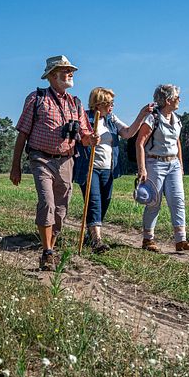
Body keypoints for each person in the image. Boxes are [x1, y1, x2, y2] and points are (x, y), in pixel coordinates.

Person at [10, 55, 99, 271]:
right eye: (65, 70)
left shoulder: (75, 103)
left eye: (71, 70)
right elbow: (22, 134)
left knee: (61, 208)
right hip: (40, 158)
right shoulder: (36, 98)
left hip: (66, 160)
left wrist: (91, 139)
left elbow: (85, 136)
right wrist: (15, 166)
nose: (70, 73)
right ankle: (47, 251)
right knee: (47, 202)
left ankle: (52, 244)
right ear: (51, 75)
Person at [73, 87, 153, 253]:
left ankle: (91, 233)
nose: (112, 106)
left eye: (112, 103)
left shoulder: (111, 119)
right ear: (99, 104)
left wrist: (142, 114)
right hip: (90, 167)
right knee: (94, 202)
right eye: (109, 103)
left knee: (105, 201)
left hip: (108, 168)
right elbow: (81, 138)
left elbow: (128, 133)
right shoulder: (85, 118)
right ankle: (97, 240)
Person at [135, 84, 189, 253]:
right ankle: (148, 240)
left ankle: (181, 240)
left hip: (174, 165)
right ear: (168, 99)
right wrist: (142, 168)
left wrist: (181, 164)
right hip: (155, 163)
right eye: (177, 97)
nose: (179, 99)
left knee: (178, 200)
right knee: (154, 202)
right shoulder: (152, 118)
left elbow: (177, 141)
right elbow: (139, 143)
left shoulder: (176, 118)